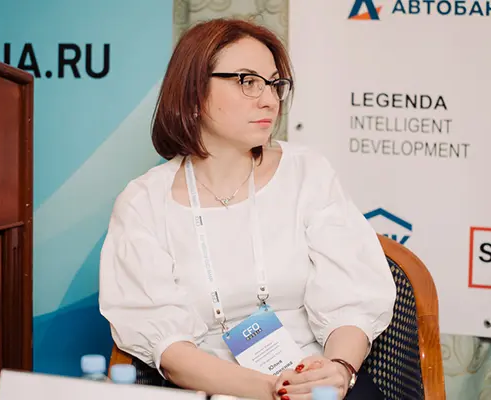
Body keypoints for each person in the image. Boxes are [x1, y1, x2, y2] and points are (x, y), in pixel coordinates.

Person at [99, 18, 396, 400]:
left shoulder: (307, 173)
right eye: (248, 81)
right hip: (217, 388)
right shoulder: (143, 204)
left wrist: (337, 370)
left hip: (319, 384)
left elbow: (351, 300)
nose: (269, 99)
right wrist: (273, 389)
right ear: (194, 91)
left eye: (274, 84)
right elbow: (170, 350)